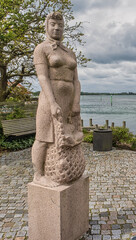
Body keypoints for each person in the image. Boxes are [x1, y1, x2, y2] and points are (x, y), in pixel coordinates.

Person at [32, 12, 84, 187]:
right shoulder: (41, 49)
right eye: (53, 24)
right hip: (49, 99)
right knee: (43, 137)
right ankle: (39, 175)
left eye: (60, 25)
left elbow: (76, 80)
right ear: (46, 26)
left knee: (68, 137)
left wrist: (76, 102)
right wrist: (52, 102)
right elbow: (42, 77)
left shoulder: (70, 52)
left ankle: (66, 169)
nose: (57, 28)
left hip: (68, 101)